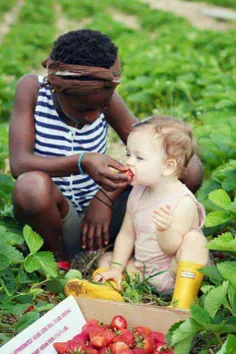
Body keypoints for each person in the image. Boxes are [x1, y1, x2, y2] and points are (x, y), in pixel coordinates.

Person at [9, 29, 203, 271]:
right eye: (82, 109)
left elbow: (154, 149)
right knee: (31, 187)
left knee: (188, 167)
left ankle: (139, 245)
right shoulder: (33, 90)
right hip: (56, 217)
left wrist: (105, 197)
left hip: (106, 217)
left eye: (101, 107)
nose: (92, 116)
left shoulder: (102, 95)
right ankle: (58, 260)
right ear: (57, 88)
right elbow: (19, 164)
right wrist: (83, 161)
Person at [76, 116, 209, 309]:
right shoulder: (138, 192)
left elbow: (172, 248)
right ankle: (111, 286)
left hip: (173, 273)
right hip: (143, 270)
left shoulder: (182, 202)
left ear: (168, 166)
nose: (129, 162)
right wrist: (117, 267)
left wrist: (164, 229)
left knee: (195, 241)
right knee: (108, 258)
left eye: (139, 158)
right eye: (128, 154)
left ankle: (182, 303)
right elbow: (127, 234)